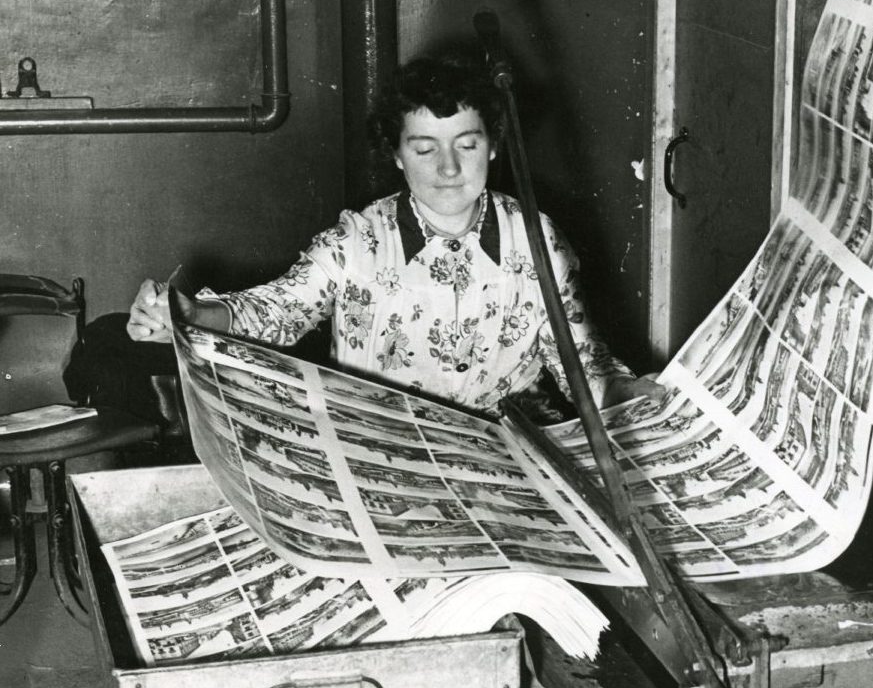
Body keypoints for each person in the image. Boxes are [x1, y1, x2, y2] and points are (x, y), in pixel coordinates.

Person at [126, 51, 642, 418]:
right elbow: (276, 311)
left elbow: (581, 361)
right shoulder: (357, 243)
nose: (447, 168)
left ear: (492, 147)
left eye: (466, 144)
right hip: (383, 440)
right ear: (396, 155)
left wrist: (626, 391)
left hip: (506, 440)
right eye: (424, 150)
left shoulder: (537, 239)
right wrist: (191, 315)